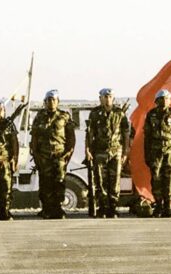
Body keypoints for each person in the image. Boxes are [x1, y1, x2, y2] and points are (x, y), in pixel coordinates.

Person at [85, 88, 132, 218]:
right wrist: (88, 150)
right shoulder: (94, 114)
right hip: (100, 151)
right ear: (100, 98)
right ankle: (103, 207)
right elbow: (90, 133)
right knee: (100, 180)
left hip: (116, 151)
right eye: (105, 97)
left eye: (110, 96)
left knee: (115, 180)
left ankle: (113, 207)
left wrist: (126, 151)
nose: (107, 99)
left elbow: (126, 133)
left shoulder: (119, 113)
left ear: (113, 98)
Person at [31, 89, 76, 219]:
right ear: (45, 102)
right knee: (45, 183)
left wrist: (68, 153)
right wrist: (35, 154)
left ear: (58, 102)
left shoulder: (64, 117)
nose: (51, 102)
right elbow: (34, 137)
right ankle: (46, 209)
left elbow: (71, 137)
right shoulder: (39, 117)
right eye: (48, 100)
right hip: (44, 156)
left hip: (59, 155)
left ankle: (58, 208)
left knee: (59, 182)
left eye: (53, 100)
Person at [144, 89, 171, 218]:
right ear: (156, 101)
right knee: (156, 179)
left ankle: (168, 206)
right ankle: (159, 205)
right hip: (155, 151)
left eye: (167, 99)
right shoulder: (151, 115)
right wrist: (146, 154)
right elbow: (147, 136)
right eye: (162, 99)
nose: (165, 101)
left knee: (169, 179)